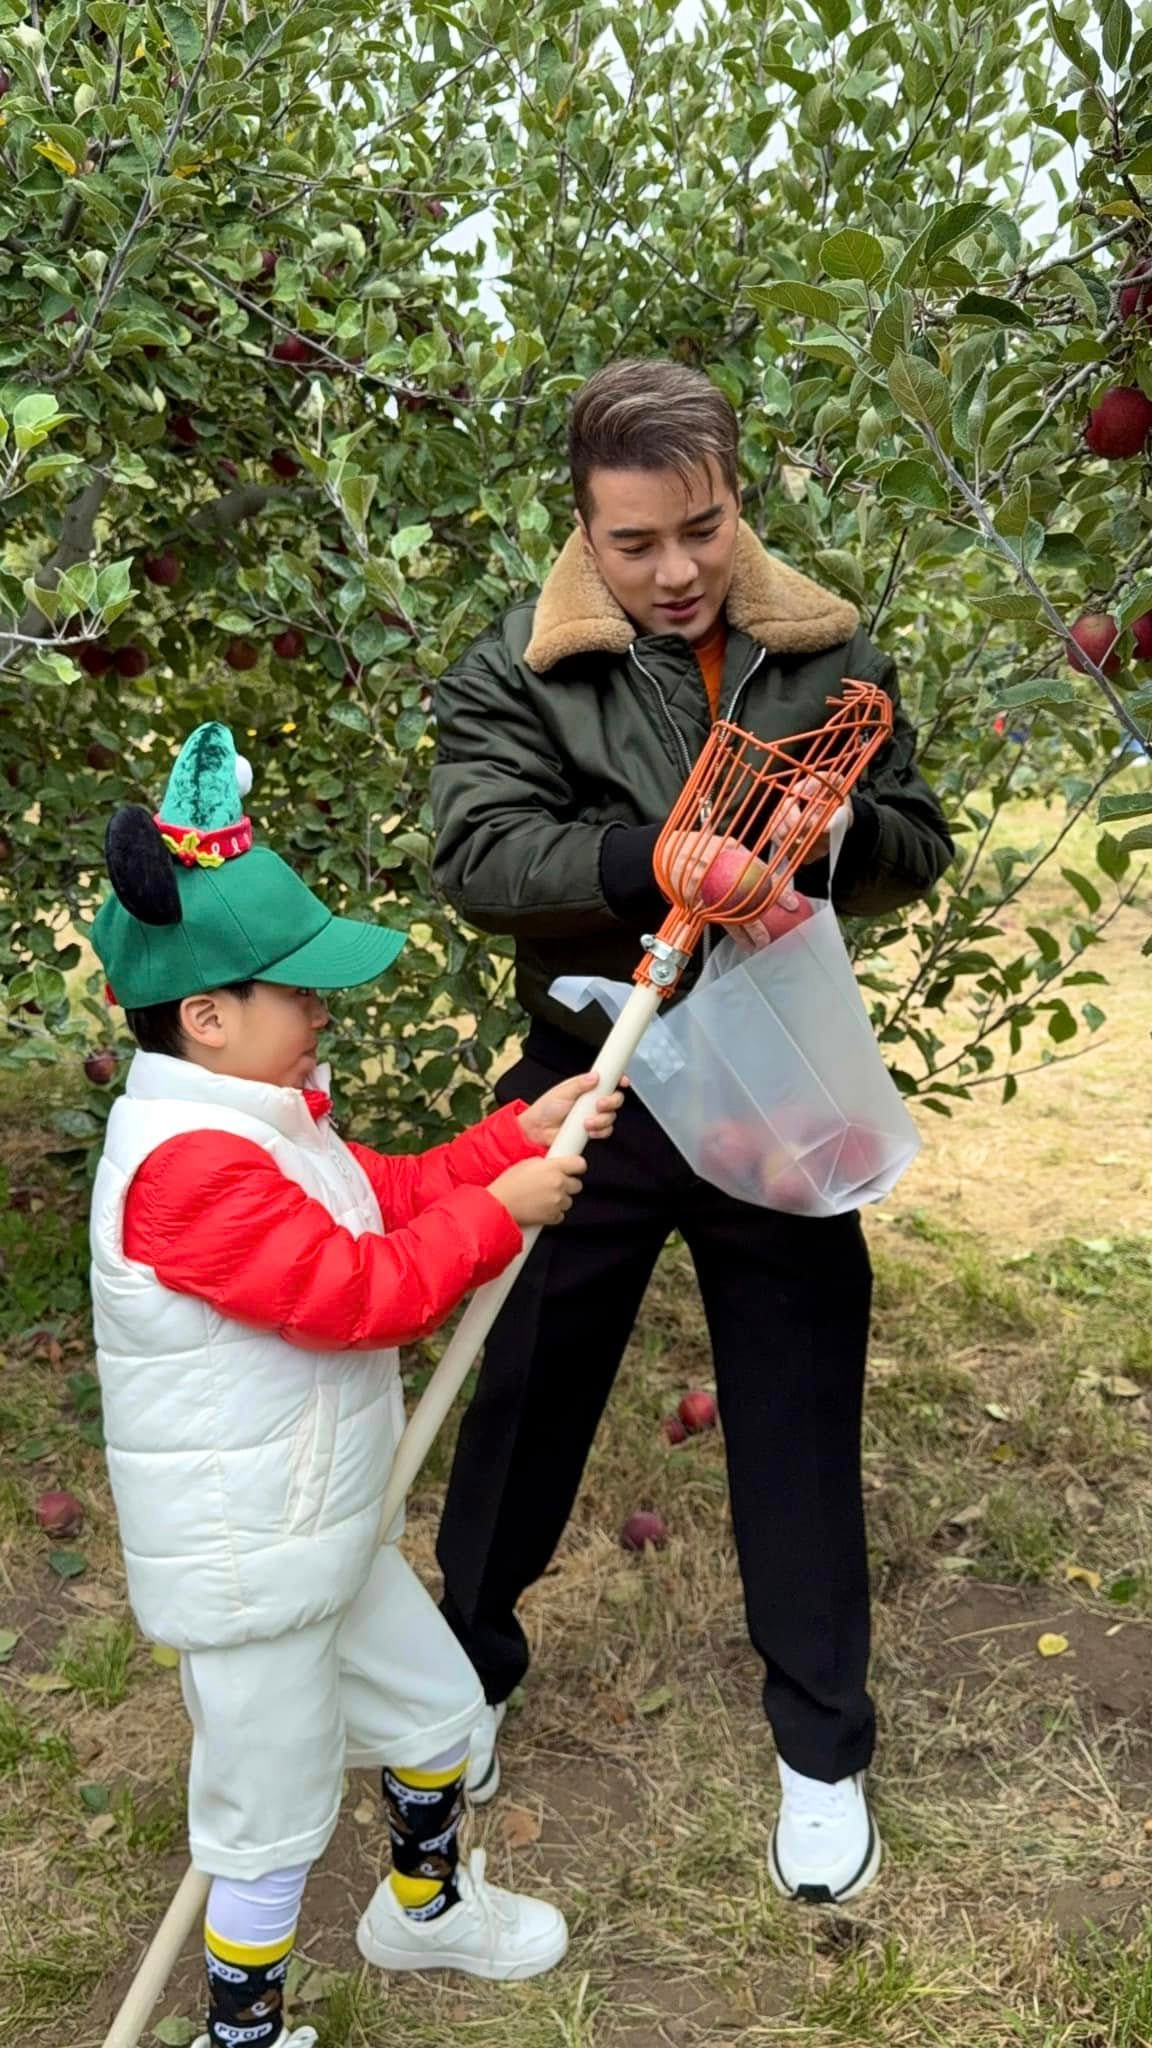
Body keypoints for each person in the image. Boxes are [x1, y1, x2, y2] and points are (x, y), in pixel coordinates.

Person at [431, 359, 954, 1905]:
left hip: (778, 1076)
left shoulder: (828, 650)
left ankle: (821, 1741)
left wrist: (837, 836)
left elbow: (917, 838)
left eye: (701, 531)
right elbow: (477, 850)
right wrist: (645, 852)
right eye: (635, 542)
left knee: (795, 1388)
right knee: (530, 1378)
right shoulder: (521, 666)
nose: (673, 572)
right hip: (598, 1066)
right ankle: (466, 1672)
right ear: (582, 529)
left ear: (739, 494)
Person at [88, 722, 624, 2048]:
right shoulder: (185, 1170)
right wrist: (504, 1210)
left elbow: (378, 1200)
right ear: (209, 1020)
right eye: (300, 990)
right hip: (248, 1572)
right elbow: (355, 1293)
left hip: (325, 1529)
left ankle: (421, 1912)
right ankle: (241, 2031)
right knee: (266, 1817)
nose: (325, 1009)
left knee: (439, 1711)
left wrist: (512, 1138)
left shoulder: (263, 1118)